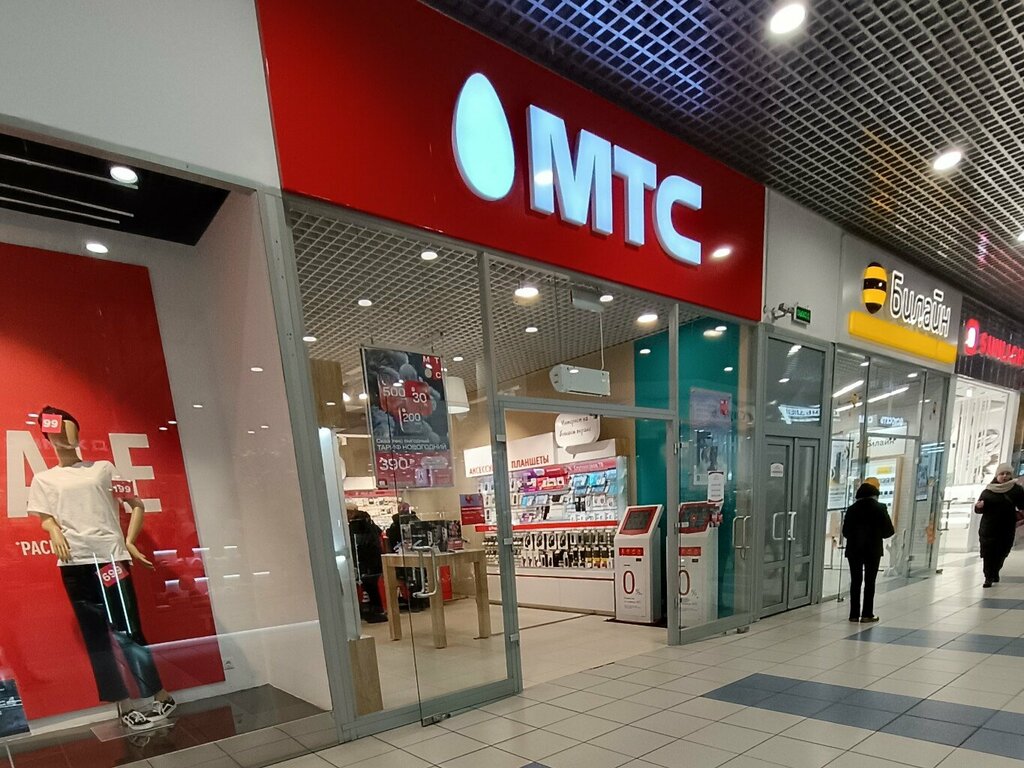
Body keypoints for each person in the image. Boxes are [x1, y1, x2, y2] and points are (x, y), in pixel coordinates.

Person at [27, 406, 176, 731]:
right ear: (47, 435)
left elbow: (135, 504)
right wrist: (53, 530)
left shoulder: (103, 469)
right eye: (57, 428)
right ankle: (124, 704)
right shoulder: (44, 479)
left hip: (109, 559)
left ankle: (160, 696)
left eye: (70, 427)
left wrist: (130, 541)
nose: (65, 434)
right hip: (73, 564)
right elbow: (45, 518)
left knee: (127, 631)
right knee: (95, 637)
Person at [842, 477, 895, 623]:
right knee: (870, 582)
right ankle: (867, 614)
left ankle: (853, 614)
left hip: (854, 550)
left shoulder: (851, 509)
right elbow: (889, 531)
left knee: (855, 581)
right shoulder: (880, 508)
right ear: (875, 495)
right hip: (873, 550)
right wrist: (877, 534)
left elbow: (845, 532)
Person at [974, 463, 1023, 588]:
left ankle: (995, 571)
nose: (1005, 476)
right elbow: (979, 509)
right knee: (988, 553)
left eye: (1008, 474)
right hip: (988, 528)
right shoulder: (988, 490)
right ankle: (988, 577)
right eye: (1002, 474)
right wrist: (978, 507)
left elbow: (1022, 506)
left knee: (1003, 552)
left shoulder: (1016, 490)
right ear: (997, 475)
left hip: (1007, 528)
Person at [346, 505, 387, 623]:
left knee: (367, 587)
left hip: (364, 563)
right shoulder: (370, 525)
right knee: (372, 588)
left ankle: (370, 611)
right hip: (374, 562)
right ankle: (377, 610)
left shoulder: (355, 527)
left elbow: (356, 546)